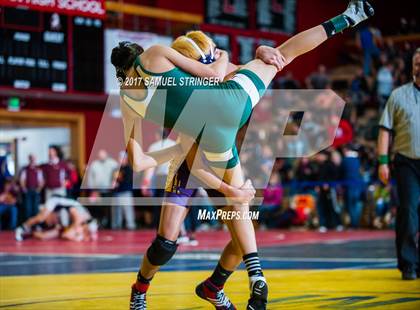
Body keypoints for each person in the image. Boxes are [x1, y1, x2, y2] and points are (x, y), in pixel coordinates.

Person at [111, 2, 374, 309]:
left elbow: (232, 72)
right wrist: (235, 56)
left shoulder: (141, 91)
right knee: (167, 243)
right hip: (193, 152)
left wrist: (258, 53)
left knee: (238, 235)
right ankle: (142, 289)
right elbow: (218, 79)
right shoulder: (165, 60)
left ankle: (213, 286)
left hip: (209, 141)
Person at [377, 47, 420, 280]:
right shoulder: (398, 95)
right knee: (408, 210)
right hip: (406, 163)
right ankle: (408, 265)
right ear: (412, 66)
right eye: (417, 62)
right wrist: (382, 162)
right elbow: (385, 130)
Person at [15, 196, 98, 242]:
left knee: (44, 237)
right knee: (41, 218)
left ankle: (31, 232)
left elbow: (66, 234)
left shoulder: (82, 220)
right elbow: (68, 233)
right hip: (56, 202)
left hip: (61, 217)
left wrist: (79, 235)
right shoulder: (80, 216)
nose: (84, 231)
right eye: (86, 231)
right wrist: (78, 236)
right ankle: (21, 228)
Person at [111, 152, 136, 230]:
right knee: (116, 210)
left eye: (122, 158)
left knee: (127, 209)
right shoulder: (116, 169)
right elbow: (113, 178)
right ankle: (116, 226)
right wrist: (113, 183)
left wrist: (118, 182)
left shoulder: (129, 169)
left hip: (126, 191)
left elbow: (128, 180)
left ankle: (130, 225)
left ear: (125, 159)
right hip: (117, 192)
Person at [19, 154, 44, 220]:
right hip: (28, 190)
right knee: (28, 208)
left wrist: (39, 189)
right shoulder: (25, 169)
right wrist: (24, 189)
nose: (32, 160)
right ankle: (28, 224)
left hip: (36, 190)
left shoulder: (38, 169)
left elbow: (41, 180)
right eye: (31, 158)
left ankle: (35, 224)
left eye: (34, 158)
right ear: (29, 159)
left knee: (35, 208)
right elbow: (22, 180)